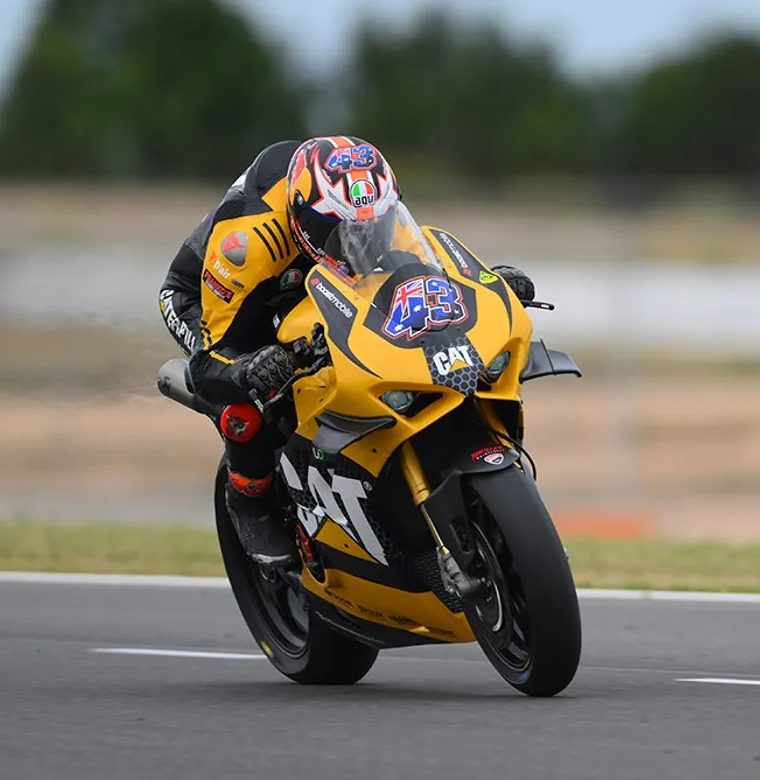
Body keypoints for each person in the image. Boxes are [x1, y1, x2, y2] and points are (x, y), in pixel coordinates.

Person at [158, 136, 535, 566]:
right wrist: (247, 369)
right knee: (251, 393)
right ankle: (249, 498)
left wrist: (486, 286)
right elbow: (211, 361)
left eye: (370, 224)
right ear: (302, 213)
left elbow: (422, 272)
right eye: (335, 229)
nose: (355, 237)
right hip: (214, 297)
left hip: (311, 275)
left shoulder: (373, 211)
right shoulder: (245, 245)